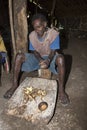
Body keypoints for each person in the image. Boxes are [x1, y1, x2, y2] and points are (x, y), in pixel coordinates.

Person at [4, 14, 70, 105]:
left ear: (45, 24)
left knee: (61, 58)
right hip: (37, 58)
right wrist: (40, 60)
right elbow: (34, 51)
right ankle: (14, 85)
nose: (37, 30)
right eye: (35, 27)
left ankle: (62, 91)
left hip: (50, 57)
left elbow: (53, 51)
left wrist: (48, 61)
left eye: (39, 27)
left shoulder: (53, 34)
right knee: (19, 56)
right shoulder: (32, 35)